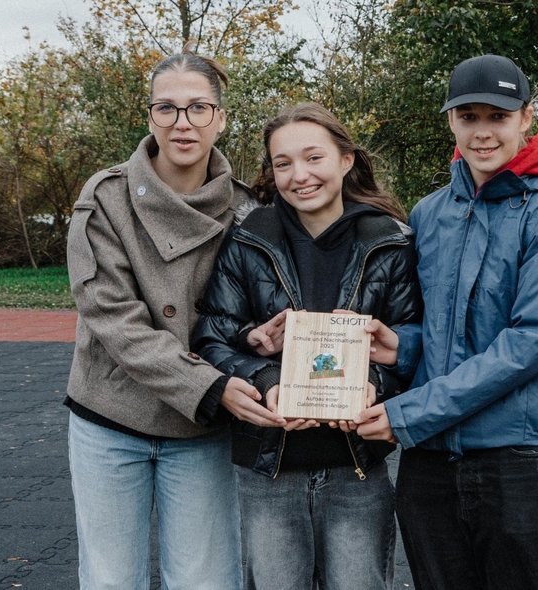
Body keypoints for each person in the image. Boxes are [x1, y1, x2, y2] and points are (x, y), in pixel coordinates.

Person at [352, 54, 538, 589]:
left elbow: (530, 344)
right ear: (451, 123)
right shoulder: (428, 213)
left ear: (525, 118)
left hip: (516, 461)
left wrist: (411, 412)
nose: (482, 132)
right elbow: (432, 324)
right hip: (431, 464)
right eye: (468, 117)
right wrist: (403, 348)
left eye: (497, 117)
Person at [190, 102, 422, 589]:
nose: (300, 175)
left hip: (356, 468)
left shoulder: (391, 243)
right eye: (283, 163)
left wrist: (374, 384)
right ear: (271, 173)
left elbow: (415, 344)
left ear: (346, 160)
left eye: (314, 157)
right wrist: (268, 379)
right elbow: (211, 336)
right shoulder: (247, 241)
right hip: (269, 469)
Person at [65, 45, 250, 589]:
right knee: (110, 579)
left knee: (206, 580)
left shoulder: (247, 210)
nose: (182, 122)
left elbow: (244, 311)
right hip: (111, 415)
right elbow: (112, 316)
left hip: (202, 428)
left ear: (219, 117)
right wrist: (209, 385)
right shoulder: (105, 198)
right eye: (166, 108)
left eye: (197, 108)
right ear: (151, 117)